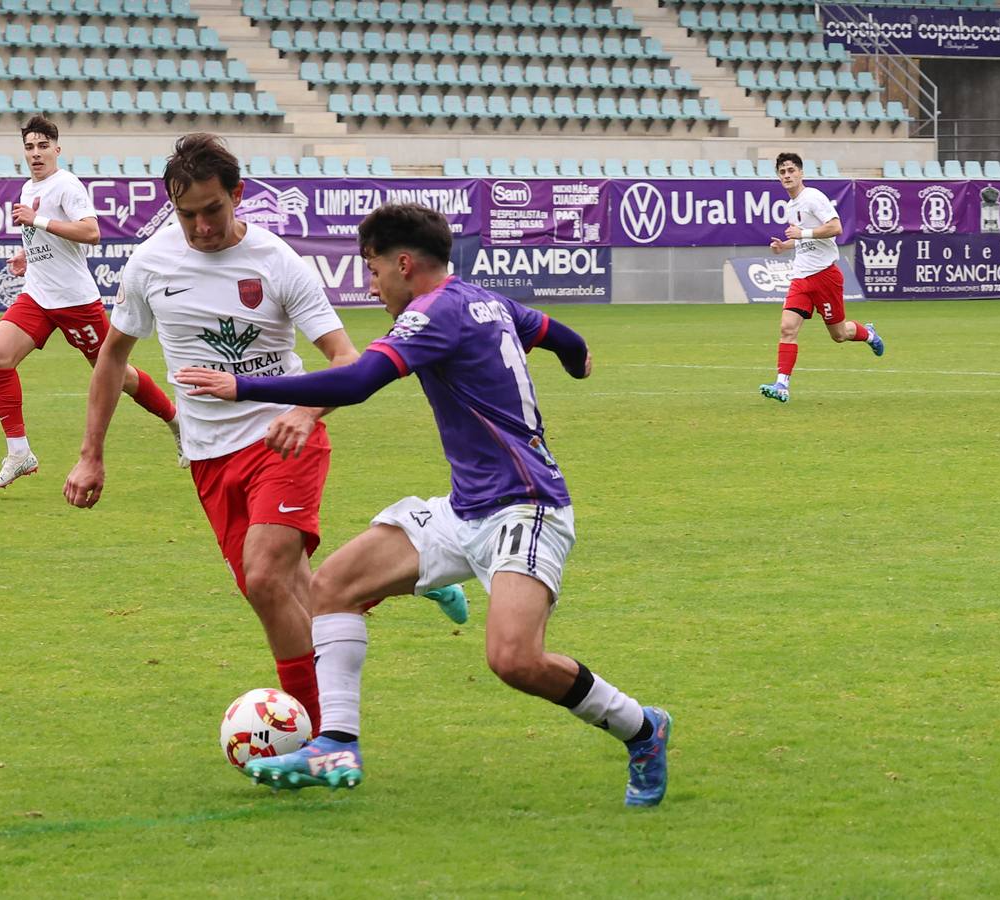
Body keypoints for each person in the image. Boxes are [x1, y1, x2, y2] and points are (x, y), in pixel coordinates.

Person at [177, 203, 672, 807]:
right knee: (334, 585)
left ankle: (643, 729)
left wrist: (246, 387)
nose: (371, 283)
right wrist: (577, 361)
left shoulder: (435, 312)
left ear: (403, 264)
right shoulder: (484, 300)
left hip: (525, 507)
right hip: (465, 508)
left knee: (514, 659)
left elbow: (356, 382)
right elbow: (556, 334)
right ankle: (337, 742)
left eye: (372, 269)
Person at [64, 135, 466, 735]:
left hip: (284, 440)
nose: (201, 227)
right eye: (187, 214)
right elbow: (113, 359)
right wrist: (90, 454)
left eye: (213, 210)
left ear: (238, 196)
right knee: (291, 591)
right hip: (207, 457)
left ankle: (319, 734)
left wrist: (306, 413)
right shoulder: (149, 264)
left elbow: (343, 356)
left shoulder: (278, 263)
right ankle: (411, 571)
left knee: (264, 578)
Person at [0, 116, 180, 491]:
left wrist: (38, 221)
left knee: (116, 375)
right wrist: (28, 257)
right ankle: (19, 453)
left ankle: (176, 421)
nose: (36, 153)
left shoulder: (67, 185)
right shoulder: (28, 188)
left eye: (43, 146)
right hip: (39, 295)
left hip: (76, 301)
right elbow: (48, 238)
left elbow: (91, 233)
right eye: (30, 147)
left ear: (57, 149)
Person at [761, 151, 884, 403]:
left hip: (825, 276)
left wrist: (802, 233)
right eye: (782, 172)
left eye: (791, 170)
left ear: (801, 173)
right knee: (787, 328)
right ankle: (782, 385)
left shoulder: (813, 197)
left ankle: (868, 334)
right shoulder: (790, 205)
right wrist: (786, 245)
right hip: (801, 278)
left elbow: (835, 227)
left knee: (838, 334)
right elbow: (805, 241)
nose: (787, 175)